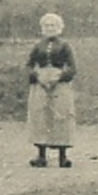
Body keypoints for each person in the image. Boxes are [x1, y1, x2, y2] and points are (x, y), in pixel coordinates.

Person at [25, 12, 77, 168]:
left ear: (59, 28)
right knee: (40, 117)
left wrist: (59, 77)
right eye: (47, 26)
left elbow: (73, 68)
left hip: (59, 84)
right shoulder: (37, 46)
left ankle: (63, 156)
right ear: (42, 28)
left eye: (53, 25)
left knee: (61, 116)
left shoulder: (65, 46)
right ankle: (41, 156)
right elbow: (28, 65)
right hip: (40, 84)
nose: (50, 28)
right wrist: (36, 76)